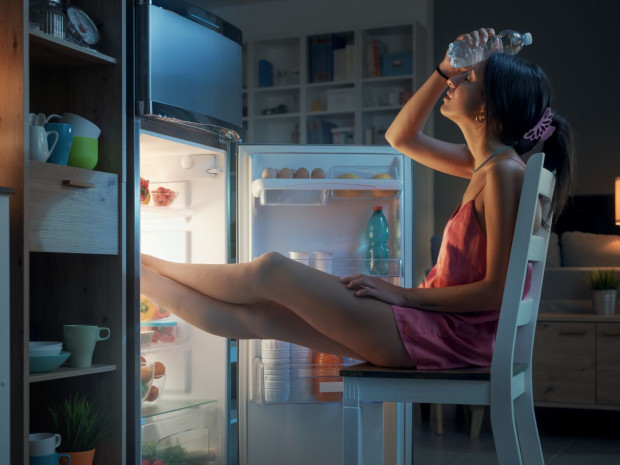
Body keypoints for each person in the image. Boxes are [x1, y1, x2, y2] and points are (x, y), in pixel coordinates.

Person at [141, 28, 574, 370]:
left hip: (448, 336)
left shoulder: (502, 174)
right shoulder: (486, 165)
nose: (455, 80)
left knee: (271, 269)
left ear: (486, 109)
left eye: (468, 78)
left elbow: (498, 292)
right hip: (439, 329)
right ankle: (138, 275)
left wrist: (403, 296)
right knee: (263, 316)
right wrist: (442, 69)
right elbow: (399, 136)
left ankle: (141, 264)